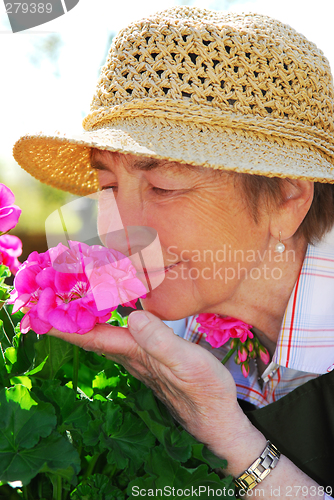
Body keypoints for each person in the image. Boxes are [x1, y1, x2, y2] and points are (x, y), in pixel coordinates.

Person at [13, 6, 334, 498]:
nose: (119, 232)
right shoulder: (170, 323)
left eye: (163, 186)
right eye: (107, 185)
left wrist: (231, 440)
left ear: (288, 200)